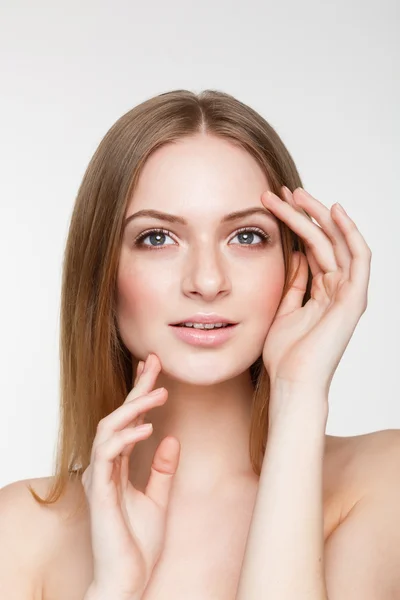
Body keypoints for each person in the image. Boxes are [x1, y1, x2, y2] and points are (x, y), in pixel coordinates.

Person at [1, 89, 399, 600]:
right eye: (158, 238)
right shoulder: (20, 533)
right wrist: (112, 589)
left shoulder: (383, 480)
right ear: (102, 272)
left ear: (295, 262)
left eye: (247, 236)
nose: (207, 281)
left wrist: (298, 397)